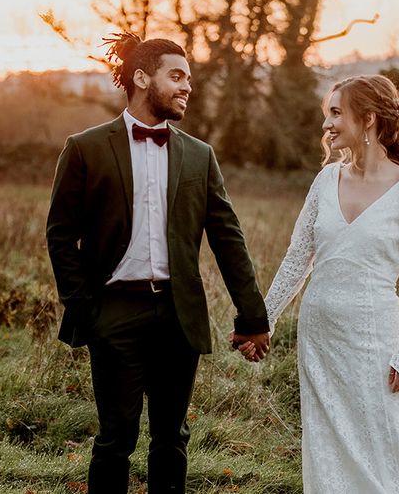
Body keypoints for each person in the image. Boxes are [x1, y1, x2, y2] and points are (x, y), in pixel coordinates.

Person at [46, 34, 270, 494]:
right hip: (113, 312)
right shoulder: (85, 148)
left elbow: (228, 238)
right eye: (177, 76)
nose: (188, 87)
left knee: (172, 438)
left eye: (189, 79)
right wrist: (84, 307)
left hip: (177, 314)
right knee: (116, 438)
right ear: (142, 78)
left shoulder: (199, 155)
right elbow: (61, 234)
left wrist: (253, 316)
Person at [237, 74, 399, 493]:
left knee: (387, 439)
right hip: (320, 338)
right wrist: (263, 322)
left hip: (377, 339)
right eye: (326, 114)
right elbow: (297, 260)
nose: (326, 124)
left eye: (335, 113)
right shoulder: (325, 180)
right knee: (328, 441)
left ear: (367, 118)